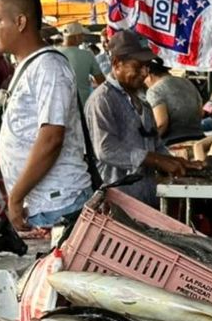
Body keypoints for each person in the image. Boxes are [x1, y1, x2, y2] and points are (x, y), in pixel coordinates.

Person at [0, 0, 93, 230]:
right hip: (43, 206)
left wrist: (16, 197)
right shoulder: (27, 67)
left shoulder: (49, 68)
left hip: (58, 205)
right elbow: (28, 141)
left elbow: (51, 139)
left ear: (20, 22)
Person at [85, 32, 200, 207]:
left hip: (147, 198)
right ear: (116, 64)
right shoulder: (102, 100)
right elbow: (106, 149)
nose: (145, 73)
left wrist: (177, 162)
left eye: (147, 67)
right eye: (138, 67)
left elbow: (155, 143)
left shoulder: (144, 101)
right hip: (118, 201)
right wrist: (155, 160)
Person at [143, 57, 205, 145]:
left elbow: (161, 123)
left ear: (149, 75)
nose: (144, 83)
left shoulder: (155, 90)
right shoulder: (188, 83)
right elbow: (201, 112)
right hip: (199, 140)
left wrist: (149, 143)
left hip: (173, 144)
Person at [57, 22, 105, 105]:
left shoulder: (53, 53)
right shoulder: (87, 55)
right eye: (82, 35)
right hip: (82, 106)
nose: (83, 38)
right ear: (77, 37)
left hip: (58, 105)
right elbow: (101, 82)